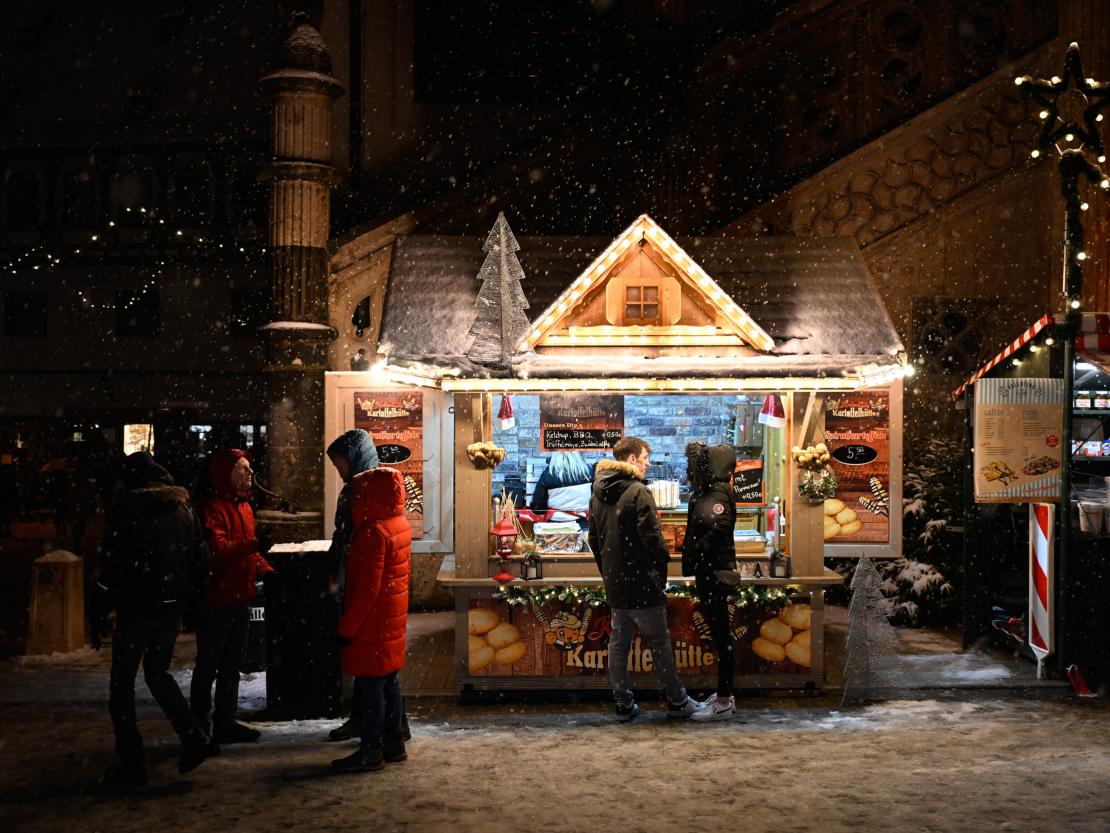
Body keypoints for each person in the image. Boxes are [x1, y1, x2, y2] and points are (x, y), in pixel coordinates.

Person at [94, 451, 211, 788]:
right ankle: (194, 735)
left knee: (122, 684)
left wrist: (100, 606)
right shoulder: (182, 508)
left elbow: (112, 567)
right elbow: (201, 560)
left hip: (137, 608)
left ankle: (131, 763)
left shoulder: (127, 511)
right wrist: (191, 602)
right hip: (171, 608)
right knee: (158, 673)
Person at [588, 437, 699, 721]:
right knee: (660, 643)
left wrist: (609, 573)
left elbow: (593, 538)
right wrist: (661, 568)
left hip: (617, 584)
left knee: (618, 644)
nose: (648, 463)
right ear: (632, 458)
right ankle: (677, 701)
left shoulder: (597, 490)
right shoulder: (638, 491)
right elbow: (653, 540)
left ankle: (623, 703)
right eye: (645, 457)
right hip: (642, 584)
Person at [329, 464, 413, 773]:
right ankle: (394, 743)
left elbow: (365, 590)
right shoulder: (398, 523)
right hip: (390, 618)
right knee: (389, 681)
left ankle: (371, 748)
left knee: (371, 685)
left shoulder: (373, 532)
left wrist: (346, 628)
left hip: (372, 622)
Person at [190, 449, 272, 748]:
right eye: (242, 468)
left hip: (240, 595)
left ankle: (224, 721)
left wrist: (267, 569)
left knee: (232, 664)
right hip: (217, 598)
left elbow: (248, 553)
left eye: (249, 468)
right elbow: (220, 549)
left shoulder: (244, 506)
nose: (250, 473)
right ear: (226, 472)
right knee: (209, 665)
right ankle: (199, 727)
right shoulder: (212, 508)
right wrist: (254, 543)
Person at [323, 429, 379, 742]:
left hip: (358, 579)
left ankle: (372, 724)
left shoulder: (361, 491)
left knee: (367, 657)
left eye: (340, 462)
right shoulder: (370, 487)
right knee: (376, 661)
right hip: (359, 578)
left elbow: (345, 537)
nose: (338, 469)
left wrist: (336, 573)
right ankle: (387, 725)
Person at [682, 442, 740, 721]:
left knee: (722, 639)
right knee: (722, 638)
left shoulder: (716, 492)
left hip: (714, 574)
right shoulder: (715, 491)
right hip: (712, 572)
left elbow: (717, 529)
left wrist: (694, 551)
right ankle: (723, 695)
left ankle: (725, 702)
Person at [529, 450, 595, 524]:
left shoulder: (547, 475)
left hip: (556, 525)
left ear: (554, 456)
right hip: (583, 523)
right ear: (577, 454)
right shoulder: (590, 471)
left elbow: (538, 508)